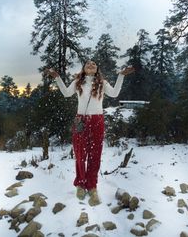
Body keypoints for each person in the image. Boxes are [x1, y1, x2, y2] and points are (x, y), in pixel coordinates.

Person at [44, 61, 135, 206]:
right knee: (80, 153)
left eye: (94, 63)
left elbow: (115, 93)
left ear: (97, 68)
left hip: (97, 121)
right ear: (84, 69)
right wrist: (57, 77)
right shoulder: (78, 82)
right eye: (88, 64)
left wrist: (121, 75)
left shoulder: (102, 83)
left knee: (95, 154)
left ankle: (92, 186)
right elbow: (67, 94)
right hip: (80, 120)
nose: (91, 64)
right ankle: (80, 184)